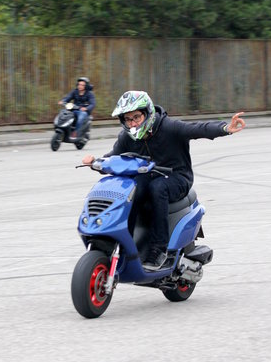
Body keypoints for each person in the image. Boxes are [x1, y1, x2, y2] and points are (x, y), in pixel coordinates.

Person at [82, 90, 245, 270]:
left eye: (136, 117)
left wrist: (225, 128)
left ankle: (159, 249)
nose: (133, 123)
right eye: (128, 119)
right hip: (147, 177)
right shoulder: (126, 137)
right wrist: (95, 162)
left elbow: (198, 128)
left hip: (177, 177)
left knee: (157, 188)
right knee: (130, 188)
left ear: (148, 113)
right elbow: (114, 158)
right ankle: (124, 241)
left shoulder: (169, 127)